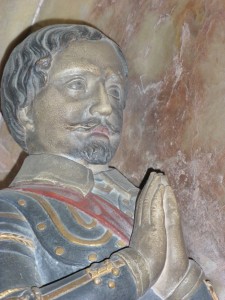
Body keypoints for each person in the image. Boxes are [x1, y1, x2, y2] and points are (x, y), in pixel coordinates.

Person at [0, 24, 214, 299]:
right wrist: (137, 266)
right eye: (77, 84)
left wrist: (180, 282)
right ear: (26, 111)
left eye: (114, 90)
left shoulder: (138, 204)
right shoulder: (10, 210)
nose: (105, 106)